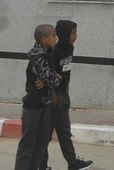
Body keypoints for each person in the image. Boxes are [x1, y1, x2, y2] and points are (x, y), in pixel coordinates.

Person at [38, 20, 93, 170]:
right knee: (46, 134)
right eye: (73, 33)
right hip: (53, 97)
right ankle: (41, 165)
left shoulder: (70, 49)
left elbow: (67, 73)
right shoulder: (53, 52)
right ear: (64, 34)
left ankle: (72, 162)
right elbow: (49, 76)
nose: (76, 36)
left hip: (63, 96)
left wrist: (66, 95)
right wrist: (54, 96)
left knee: (64, 132)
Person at [14, 24, 62, 170]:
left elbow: (49, 79)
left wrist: (50, 79)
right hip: (33, 106)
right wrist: (56, 77)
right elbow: (54, 81)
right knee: (28, 144)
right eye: (53, 36)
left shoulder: (47, 55)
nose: (56, 38)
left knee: (41, 144)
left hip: (44, 104)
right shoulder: (39, 58)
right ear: (43, 39)